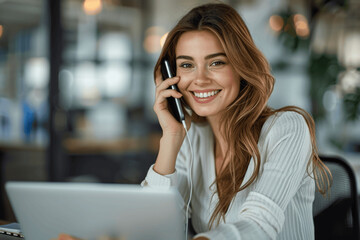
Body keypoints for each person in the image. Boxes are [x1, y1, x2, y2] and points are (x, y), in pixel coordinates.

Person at [141, 2, 331, 240]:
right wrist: (171, 136)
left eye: (216, 62)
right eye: (187, 65)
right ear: (172, 76)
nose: (199, 79)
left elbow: (259, 225)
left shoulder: (287, 128)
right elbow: (152, 226)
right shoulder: (192, 139)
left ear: (241, 66)